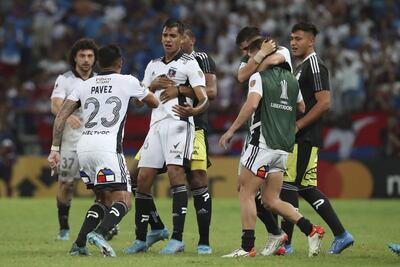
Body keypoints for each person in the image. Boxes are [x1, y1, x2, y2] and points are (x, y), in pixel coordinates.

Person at [48, 44, 159, 257]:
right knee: (124, 200)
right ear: (120, 63)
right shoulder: (128, 81)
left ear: (98, 63)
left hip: (84, 147)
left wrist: (55, 148)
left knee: (103, 200)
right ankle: (100, 233)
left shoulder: (84, 85)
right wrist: (143, 90)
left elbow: (61, 115)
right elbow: (153, 102)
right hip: (108, 149)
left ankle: (79, 244)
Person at [220, 39, 325, 258]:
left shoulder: (259, 77)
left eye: (253, 55)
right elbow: (302, 107)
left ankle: (247, 247)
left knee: (246, 193)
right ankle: (311, 229)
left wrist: (231, 131)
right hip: (282, 149)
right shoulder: (292, 80)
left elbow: (251, 105)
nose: (250, 59)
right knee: (271, 200)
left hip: (262, 144)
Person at [126, 26, 217, 255]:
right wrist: (150, 87)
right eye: (165, 35)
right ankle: (140, 238)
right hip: (155, 126)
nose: (168, 39)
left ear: (181, 39)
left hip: (179, 124)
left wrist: (194, 112)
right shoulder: (153, 65)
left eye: (173, 36)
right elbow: (138, 101)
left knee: (178, 174)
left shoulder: (190, 63)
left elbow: (205, 96)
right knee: (143, 177)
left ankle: (177, 239)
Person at [280, 22, 354, 254]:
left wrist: (299, 124)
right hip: (304, 137)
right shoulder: (301, 67)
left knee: (288, 186)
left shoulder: (314, 66)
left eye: (299, 39)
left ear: (311, 41)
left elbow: (324, 103)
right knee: (305, 187)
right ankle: (341, 234)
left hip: (304, 137)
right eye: (291, 38)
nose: (293, 43)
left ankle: (287, 244)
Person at [235, 26, 294, 256]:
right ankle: (276, 233)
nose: (245, 54)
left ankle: (256, 241)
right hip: (255, 130)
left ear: (254, 42)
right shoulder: (251, 57)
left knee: (255, 191)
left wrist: (258, 61)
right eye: (243, 51)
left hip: (271, 131)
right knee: (246, 187)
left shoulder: (282, 51)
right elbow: (242, 76)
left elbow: (264, 67)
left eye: (247, 48)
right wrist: (260, 57)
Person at [50, 38, 98, 241]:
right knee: (66, 184)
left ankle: (102, 227)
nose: (86, 60)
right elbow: (55, 104)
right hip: (70, 141)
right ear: (75, 58)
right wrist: (67, 115)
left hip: (96, 141)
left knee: (101, 185)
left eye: (90, 56)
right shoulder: (65, 79)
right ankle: (64, 227)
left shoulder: (100, 80)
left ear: (95, 58)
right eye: (82, 56)